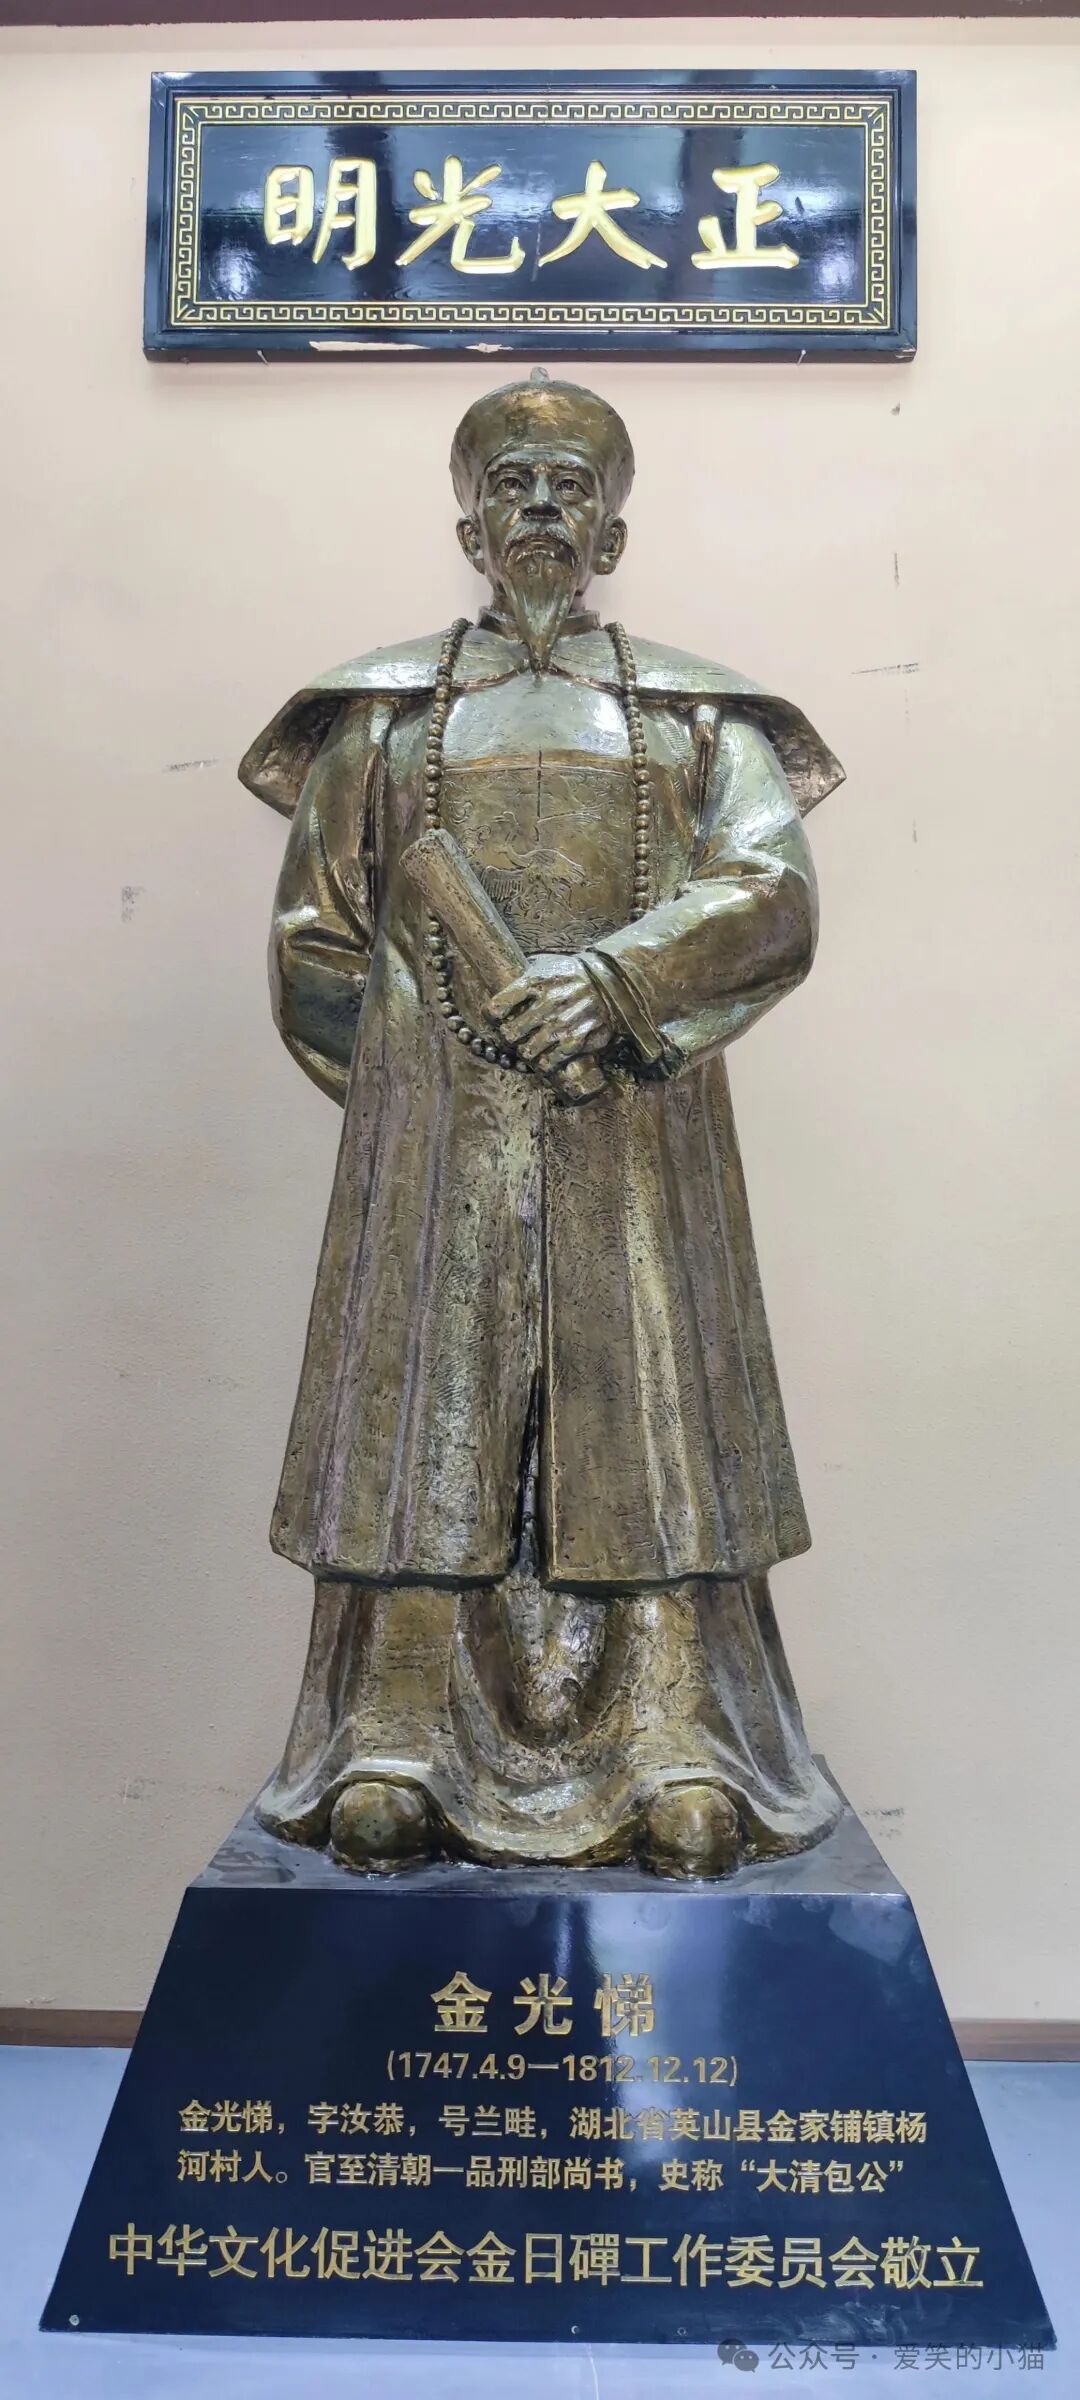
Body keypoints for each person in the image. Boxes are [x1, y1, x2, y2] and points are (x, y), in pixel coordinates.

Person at [239, 374, 845, 1877]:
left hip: (637, 1133)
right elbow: (318, 940)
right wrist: (420, 1096)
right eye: (512, 483)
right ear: (468, 524)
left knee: (650, 1422)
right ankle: (395, 1739)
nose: (541, 510)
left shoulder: (693, 717)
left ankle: (679, 1744)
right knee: (424, 1429)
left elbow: (771, 893)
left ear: (614, 535)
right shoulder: (383, 722)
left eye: (572, 488)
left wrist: (618, 984)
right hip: (437, 1149)